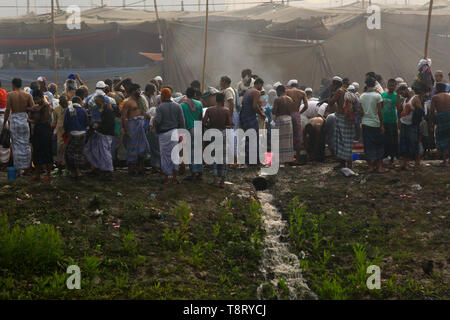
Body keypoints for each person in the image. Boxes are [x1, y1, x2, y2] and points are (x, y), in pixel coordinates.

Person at [154, 87, 186, 184]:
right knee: (175, 155)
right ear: (170, 95)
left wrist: (154, 122)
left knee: (165, 156)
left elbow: (158, 121)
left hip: (164, 134)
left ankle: (166, 179)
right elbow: (182, 122)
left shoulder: (160, 107)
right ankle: (175, 178)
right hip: (175, 133)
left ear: (162, 96)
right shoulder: (178, 106)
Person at [2, 78, 33, 173]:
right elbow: (33, 108)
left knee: (16, 145)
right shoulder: (27, 95)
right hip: (25, 120)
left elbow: (7, 110)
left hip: (15, 120)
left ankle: (18, 169)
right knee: (26, 144)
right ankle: (27, 168)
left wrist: (4, 123)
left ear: (13, 85)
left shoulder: (10, 95)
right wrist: (29, 119)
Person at [202, 93, 232, 187]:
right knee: (223, 157)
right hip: (222, 134)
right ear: (223, 100)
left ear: (216, 100)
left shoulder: (209, 110)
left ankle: (215, 180)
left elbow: (203, 122)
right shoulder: (226, 110)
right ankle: (222, 182)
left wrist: (209, 126)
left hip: (212, 133)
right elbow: (230, 123)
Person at [84, 95, 116, 180]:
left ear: (102, 102)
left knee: (105, 154)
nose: (97, 105)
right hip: (103, 134)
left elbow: (107, 124)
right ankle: (103, 169)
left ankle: (110, 171)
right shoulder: (105, 111)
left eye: (98, 103)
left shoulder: (108, 111)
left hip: (105, 134)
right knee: (100, 153)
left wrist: (97, 127)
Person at [324, 76, 353, 169]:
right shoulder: (346, 90)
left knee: (340, 141)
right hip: (347, 118)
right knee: (346, 141)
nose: (330, 85)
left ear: (335, 84)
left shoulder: (339, 91)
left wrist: (330, 94)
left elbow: (331, 103)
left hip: (341, 118)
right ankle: (346, 163)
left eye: (332, 84)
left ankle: (345, 163)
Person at [121, 83, 150, 175]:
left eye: (139, 90)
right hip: (132, 126)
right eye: (137, 90)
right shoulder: (127, 102)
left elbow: (145, 113)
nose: (139, 91)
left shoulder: (141, 101)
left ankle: (141, 168)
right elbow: (124, 117)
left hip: (141, 126)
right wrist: (126, 131)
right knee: (132, 148)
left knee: (142, 148)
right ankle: (132, 169)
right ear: (133, 91)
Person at [360, 78, 387, 173]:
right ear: (375, 85)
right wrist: (382, 125)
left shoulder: (362, 96)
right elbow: (380, 112)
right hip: (375, 123)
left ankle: (370, 167)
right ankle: (380, 167)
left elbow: (361, 112)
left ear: (366, 85)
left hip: (365, 123)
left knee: (368, 145)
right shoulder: (377, 96)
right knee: (379, 145)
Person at [239, 77, 265, 165]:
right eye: (261, 86)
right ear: (259, 84)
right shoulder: (256, 92)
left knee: (248, 138)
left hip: (243, 117)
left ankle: (248, 160)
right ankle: (255, 161)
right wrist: (261, 113)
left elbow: (243, 104)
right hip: (250, 117)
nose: (261, 88)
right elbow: (254, 106)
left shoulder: (247, 91)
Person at [398, 83, 423, 170]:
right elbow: (399, 109)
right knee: (404, 143)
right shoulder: (404, 99)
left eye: (402, 93)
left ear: (406, 90)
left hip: (412, 125)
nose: (401, 95)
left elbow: (420, 112)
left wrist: (412, 109)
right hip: (404, 123)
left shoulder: (415, 99)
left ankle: (417, 162)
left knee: (413, 143)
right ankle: (405, 163)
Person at [180, 86, 203, 180]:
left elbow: (182, 119)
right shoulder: (199, 103)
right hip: (197, 128)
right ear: (194, 94)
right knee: (198, 151)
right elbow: (201, 116)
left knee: (190, 152)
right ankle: (199, 171)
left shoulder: (182, 105)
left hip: (188, 129)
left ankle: (193, 173)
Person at [30, 89, 53, 182]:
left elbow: (45, 119)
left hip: (45, 130)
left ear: (41, 97)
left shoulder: (46, 106)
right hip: (38, 130)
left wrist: (31, 121)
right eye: (34, 99)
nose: (36, 101)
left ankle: (48, 174)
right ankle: (37, 174)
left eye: (37, 99)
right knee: (37, 151)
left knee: (46, 151)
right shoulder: (38, 106)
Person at [64, 96, 88, 179]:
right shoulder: (83, 110)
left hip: (72, 134)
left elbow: (65, 124)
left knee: (70, 153)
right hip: (82, 134)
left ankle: (74, 172)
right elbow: (86, 123)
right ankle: (79, 172)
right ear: (79, 101)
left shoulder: (68, 110)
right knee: (80, 152)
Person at [286, 80, 308, 162]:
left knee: (288, 135)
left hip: (288, 114)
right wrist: (299, 112)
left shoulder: (287, 91)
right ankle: (298, 158)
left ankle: (289, 157)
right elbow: (306, 106)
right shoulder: (302, 92)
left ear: (291, 86)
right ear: (297, 85)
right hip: (296, 114)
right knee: (298, 136)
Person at [272, 85, 294, 164]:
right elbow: (291, 111)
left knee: (279, 140)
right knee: (288, 140)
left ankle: (280, 160)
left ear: (279, 91)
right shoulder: (290, 99)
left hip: (280, 120)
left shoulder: (277, 100)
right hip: (289, 119)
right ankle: (288, 159)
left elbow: (274, 111)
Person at [381, 79, 401, 167]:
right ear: (387, 85)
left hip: (392, 121)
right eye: (390, 85)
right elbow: (380, 107)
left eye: (393, 86)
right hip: (383, 121)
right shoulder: (383, 95)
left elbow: (399, 107)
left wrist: (398, 96)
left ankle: (392, 158)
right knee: (384, 140)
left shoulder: (397, 96)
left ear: (395, 86)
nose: (391, 87)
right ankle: (383, 157)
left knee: (393, 141)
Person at [429, 82, 450, 166]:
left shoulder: (435, 97)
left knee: (441, 138)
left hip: (441, 117)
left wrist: (431, 123)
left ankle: (444, 160)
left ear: (437, 89)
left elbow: (431, 111)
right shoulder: (449, 96)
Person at [51, 94, 69, 174]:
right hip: (60, 132)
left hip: (68, 131)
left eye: (65, 102)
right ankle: (60, 168)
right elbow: (54, 122)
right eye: (62, 102)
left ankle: (68, 167)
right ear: (60, 103)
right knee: (60, 149)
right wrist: (51, 129)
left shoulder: (71, 107)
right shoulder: (56, 109)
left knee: (68, 149)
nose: (64, 104)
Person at [0, 80, 10, 168]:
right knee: (4, 140)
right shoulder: (4, 92)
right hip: (4, 118)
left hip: (1, 117)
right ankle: (4, 163)